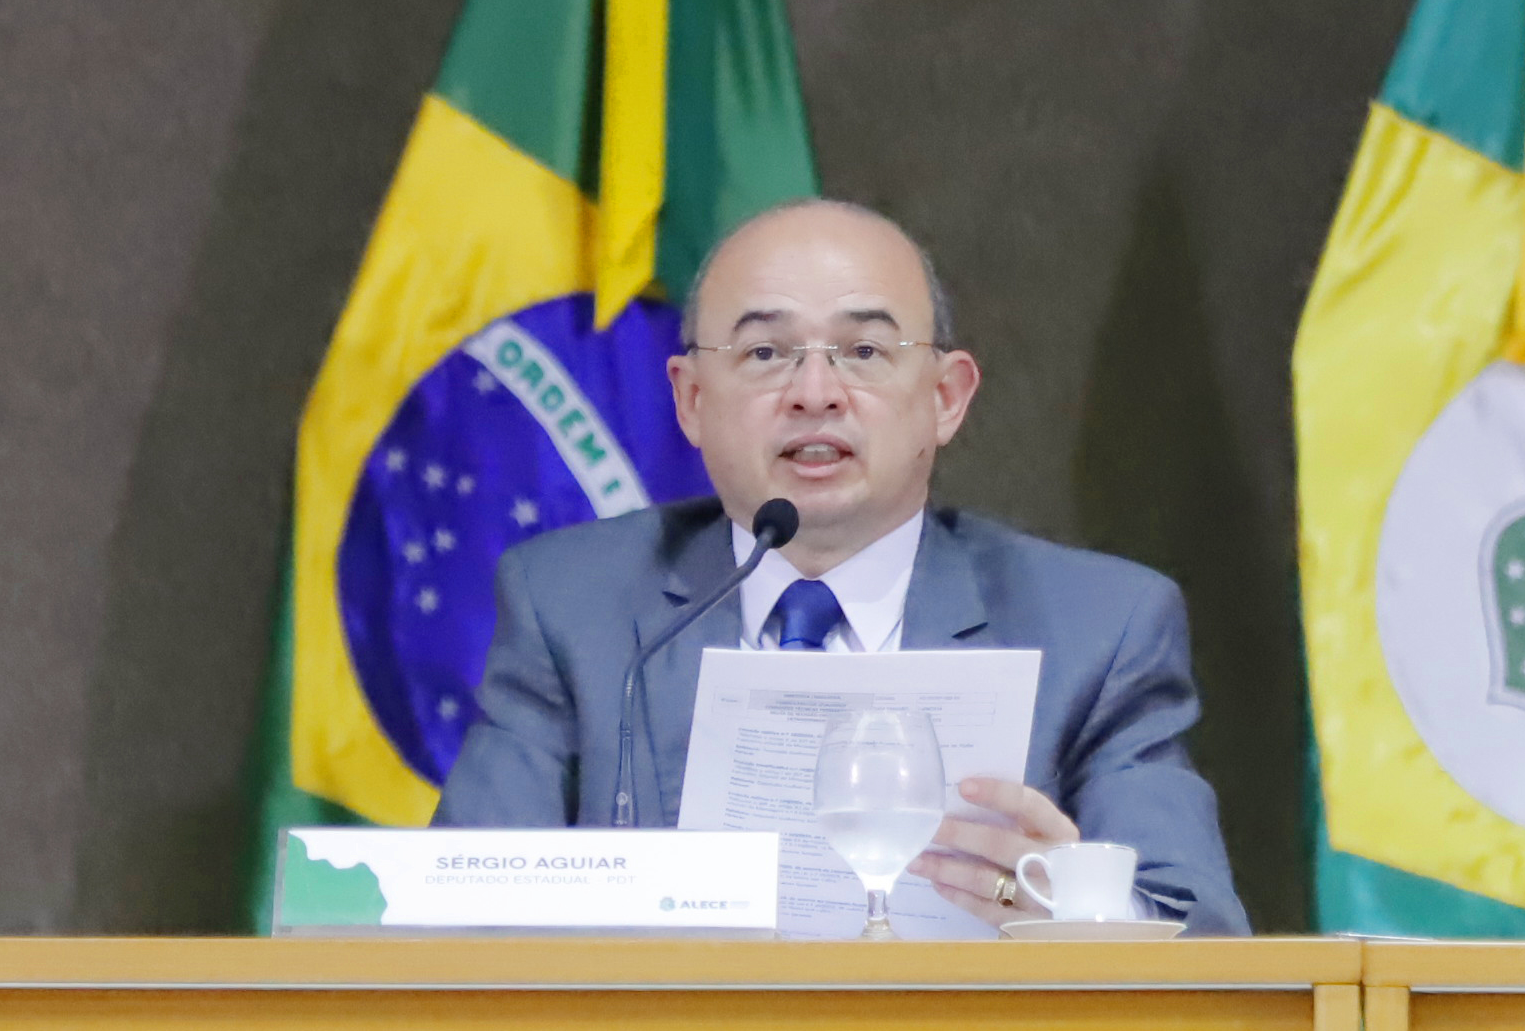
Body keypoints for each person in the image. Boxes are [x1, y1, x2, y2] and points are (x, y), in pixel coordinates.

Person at [438, 199, 1249, 933]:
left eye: (863, 349)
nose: (815, 392)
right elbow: (453, 913)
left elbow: (1205, 932)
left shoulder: (1098, 629)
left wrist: (1062, 906)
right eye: (764, 353)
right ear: (690, 400)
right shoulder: (573, 608)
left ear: (946, 397)